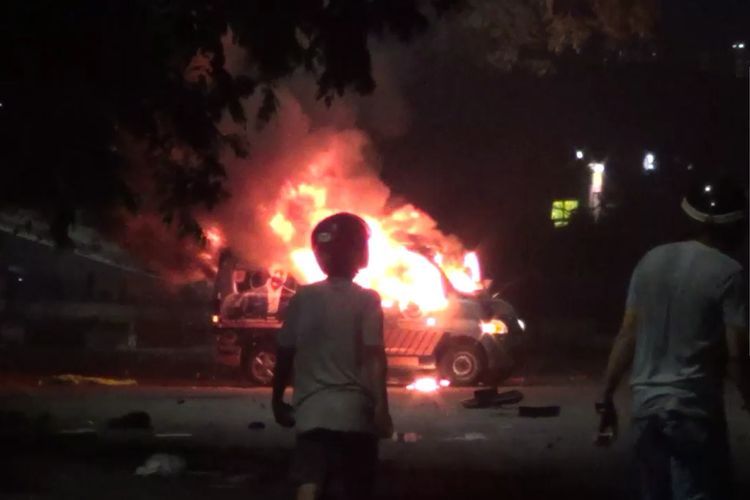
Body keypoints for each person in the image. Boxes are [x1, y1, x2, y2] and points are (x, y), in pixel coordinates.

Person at [597, 177, 749, 499]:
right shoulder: (729, 273)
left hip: (645, 408)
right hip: (692, 409)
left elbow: (627, 335)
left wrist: (606, 395)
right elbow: (736, 353)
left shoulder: (649, 262)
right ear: (732, 225)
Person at [272, 212, 393, 500]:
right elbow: (375, 356)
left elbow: (285, 351)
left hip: (312, 413)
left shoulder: (302, 298)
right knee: (357, 485)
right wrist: (381, 408)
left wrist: (277, 400)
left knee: (309, 481)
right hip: (356, 414)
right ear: (360, 252)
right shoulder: (367, 299)